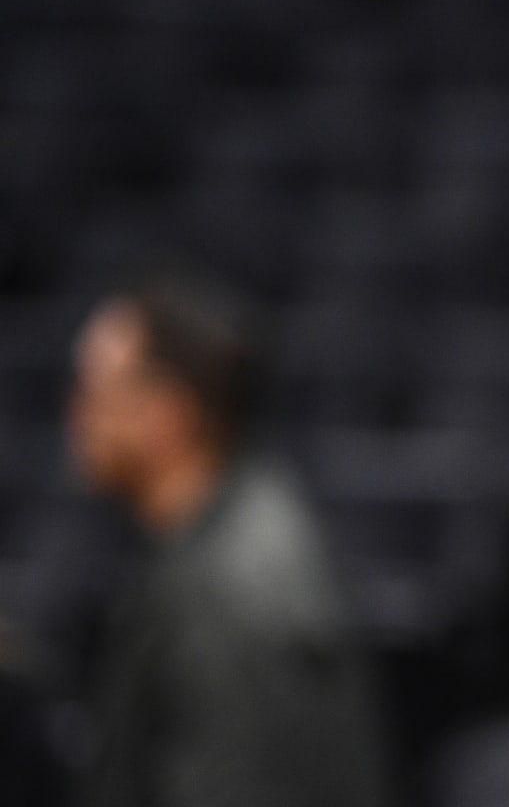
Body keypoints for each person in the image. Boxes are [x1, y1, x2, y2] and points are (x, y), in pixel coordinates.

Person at [66, 264, 389, 807]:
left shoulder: (228, 593)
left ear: (169, 414)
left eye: (93, 390)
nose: (77, 414)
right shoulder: (238, 533)